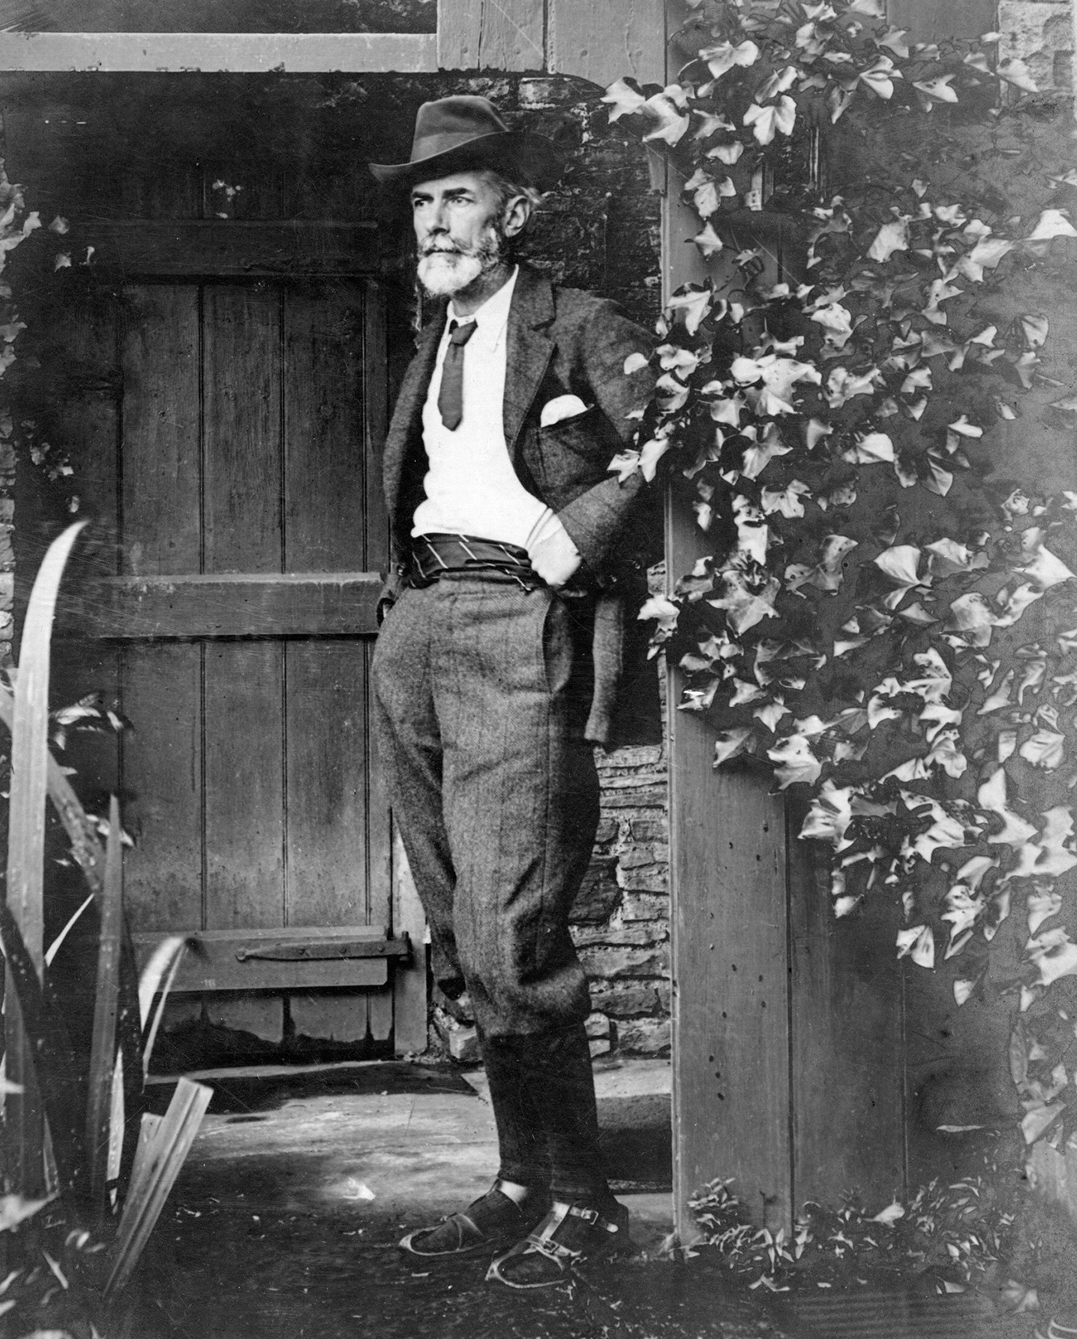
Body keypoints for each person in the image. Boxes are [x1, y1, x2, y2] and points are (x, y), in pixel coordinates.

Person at [368, 95, 661, 1289]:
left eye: (460, 196)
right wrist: (401, 613)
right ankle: (519, 1181)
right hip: (418, 628)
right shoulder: (430, 338)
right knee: (455, 925)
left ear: (515, 212)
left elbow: (678, 427)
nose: (435, 220)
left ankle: (588, 1202)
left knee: (511, 927)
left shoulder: (579, 325)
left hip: (517, 623)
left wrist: (577, 532)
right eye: (424, 199)